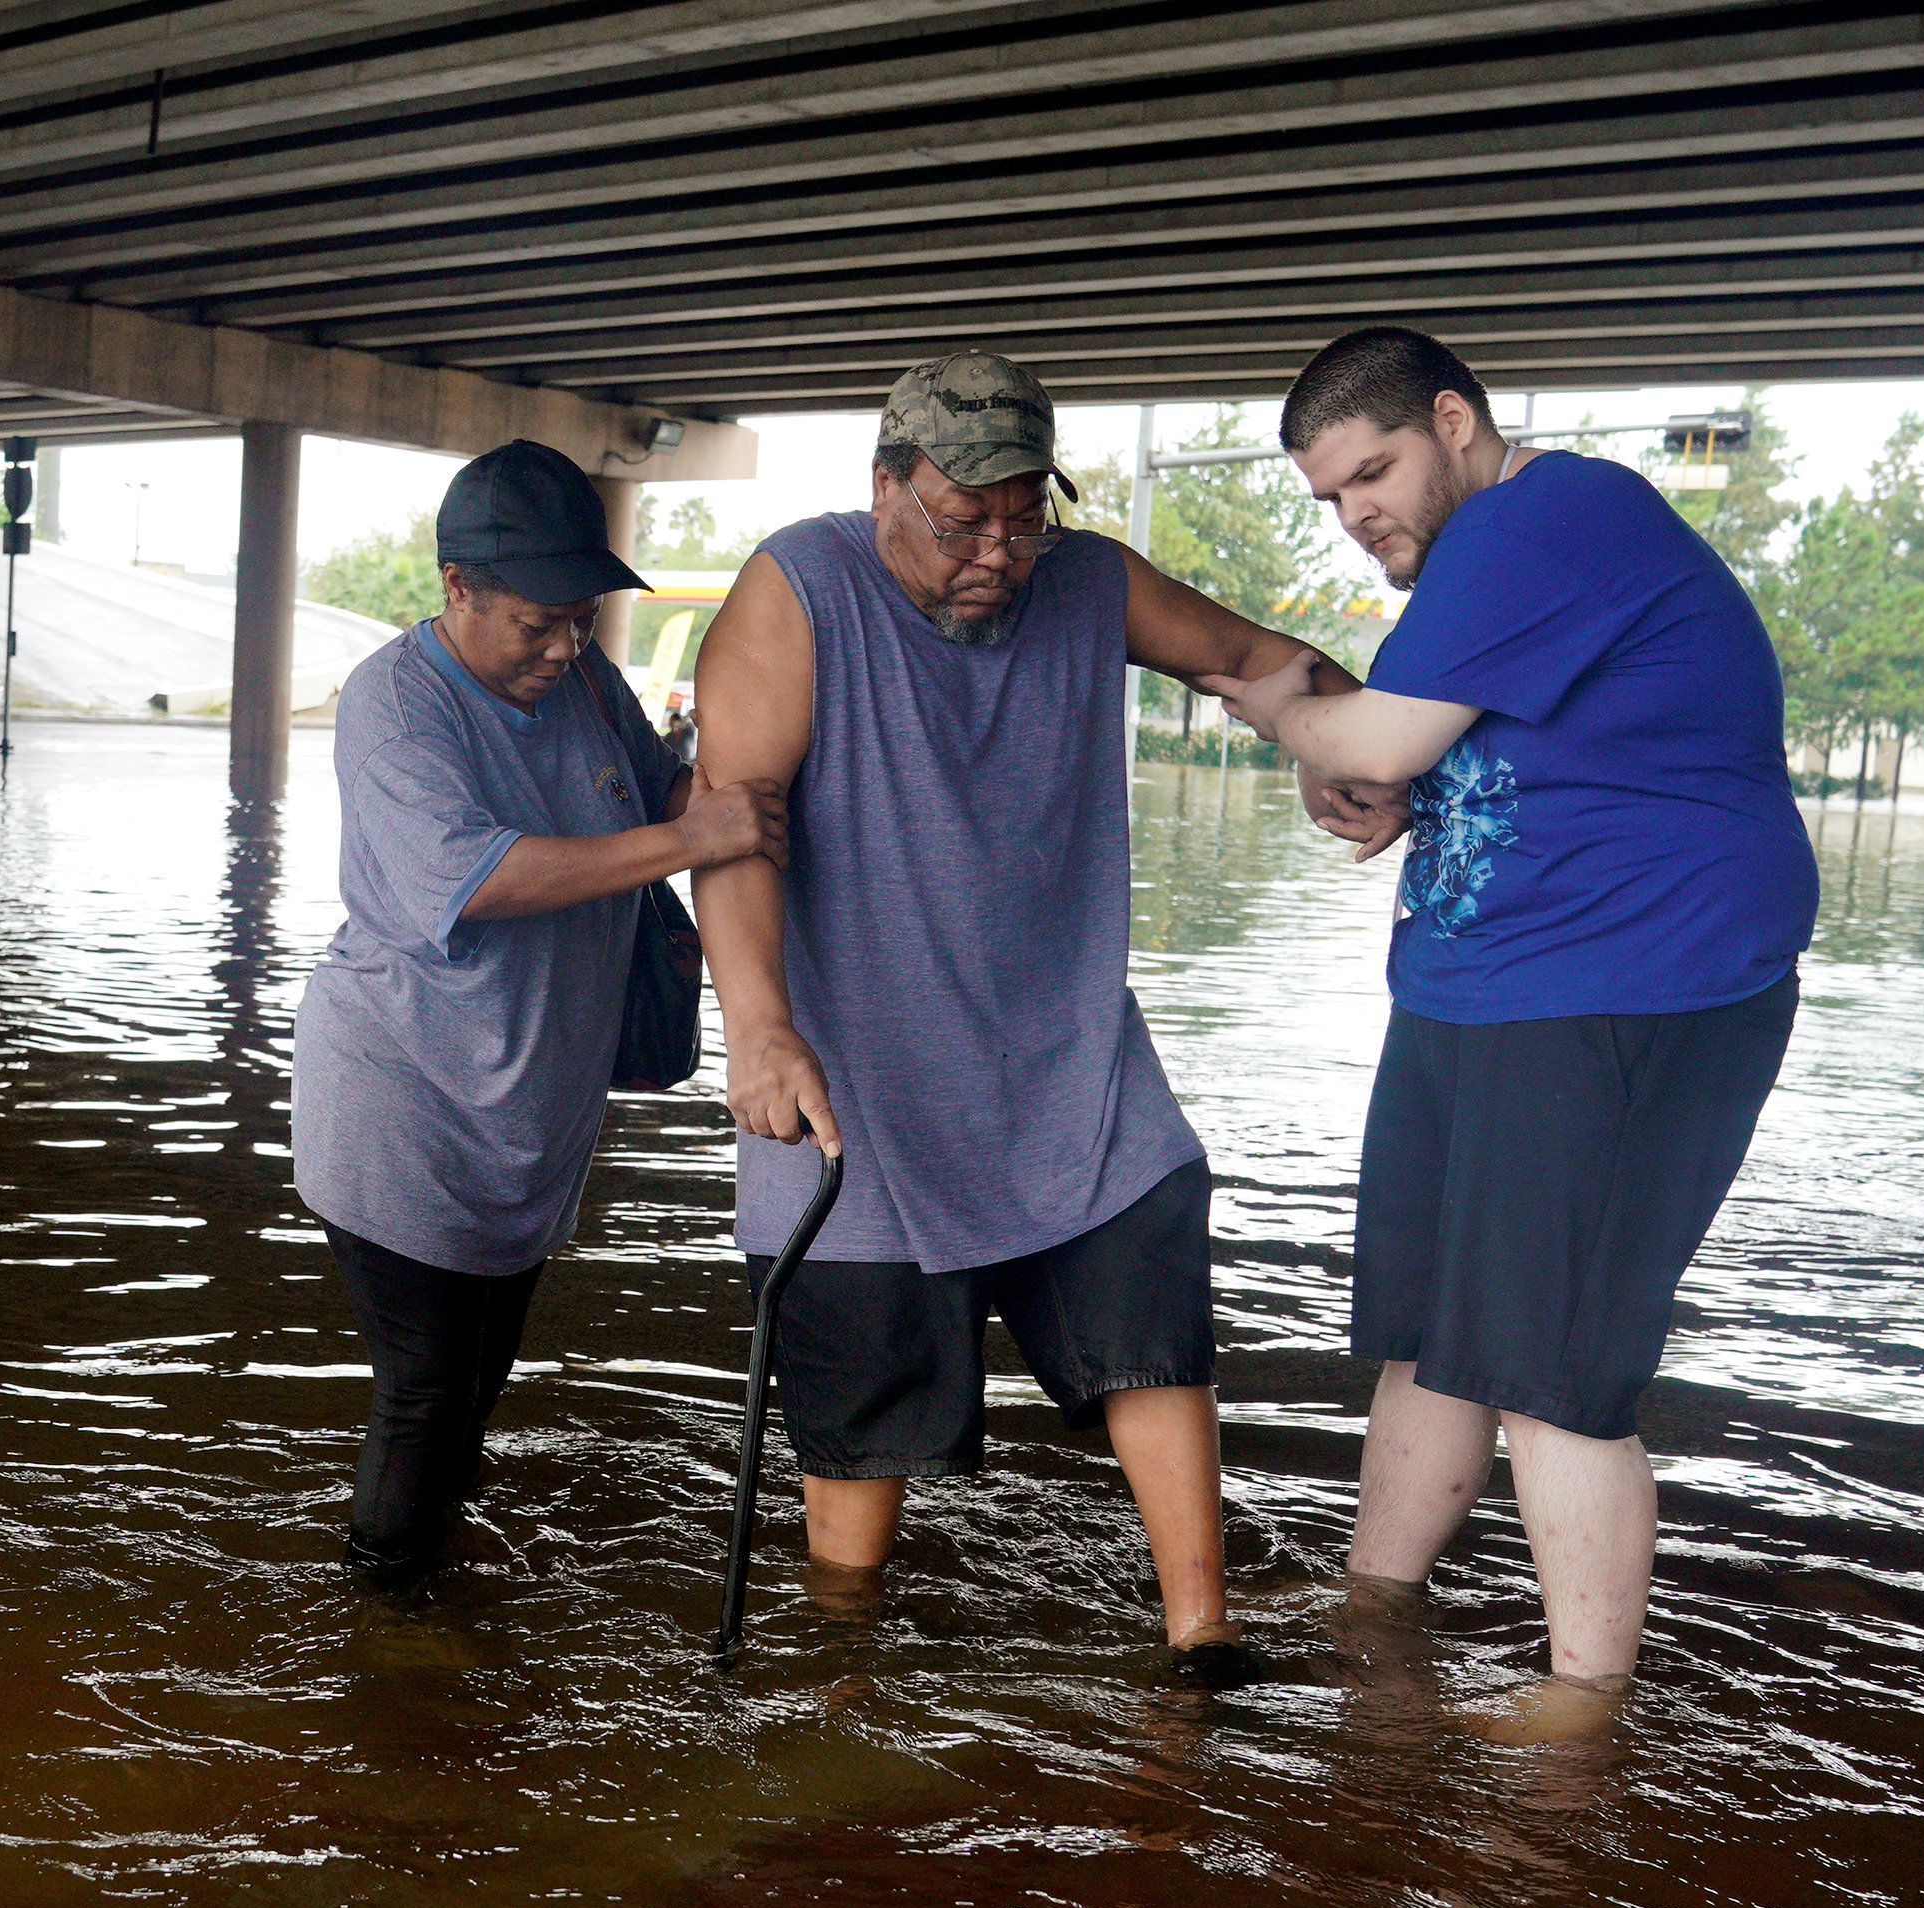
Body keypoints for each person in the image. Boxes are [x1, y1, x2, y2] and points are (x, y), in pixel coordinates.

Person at [692, 350, 1352, 1678]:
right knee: (865, 1438)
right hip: (856, 1080)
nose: (998, 547)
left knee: (1151, 1299)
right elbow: (736, 829)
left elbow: (1251, 660)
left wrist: (1350, 753)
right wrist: (756, 1024)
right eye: (961, 516)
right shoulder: (798, 591)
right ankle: (843, 1674)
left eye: (1022, 514)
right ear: (883, 486)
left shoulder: (1087, 579)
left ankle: (1202, 1637)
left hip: (1063, 1061)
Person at [1203, 326, 1818, 1730]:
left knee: (1554, 1373)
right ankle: (1377, 1606)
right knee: (1430, 1335)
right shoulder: (1489, 555)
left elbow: (1370, 735)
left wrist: (1298, 714)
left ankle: (1580, 1714)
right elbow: (1466, 753)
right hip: (1483, 987)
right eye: (1331, 496)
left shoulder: (1555, 513)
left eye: (1374, 471)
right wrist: (1385, 782)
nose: (1359, 514)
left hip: (1628, 983)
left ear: (1456, 420)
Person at [291, 440, 788, 1577]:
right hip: (400, 1102)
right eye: (536, 623)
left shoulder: (574, 678)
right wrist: (685, 838)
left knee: (477, 1386)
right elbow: (480, 876)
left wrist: (744, 794)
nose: (565, 645)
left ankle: (431, 1605)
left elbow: (667, 790)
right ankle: (389, 1646)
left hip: (525, 1114)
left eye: (580, 619)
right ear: (455, 588)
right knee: (426, 1390)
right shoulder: (392, 707)